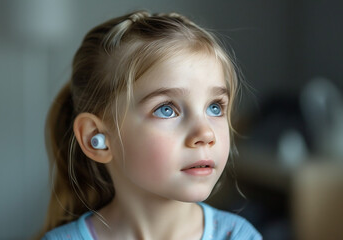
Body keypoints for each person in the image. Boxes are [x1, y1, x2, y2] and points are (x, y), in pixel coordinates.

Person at [39, 10, 262, 240]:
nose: (205, 133)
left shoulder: (239, 236)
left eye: (214, 107)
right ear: (97, 138)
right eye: (166, 109)